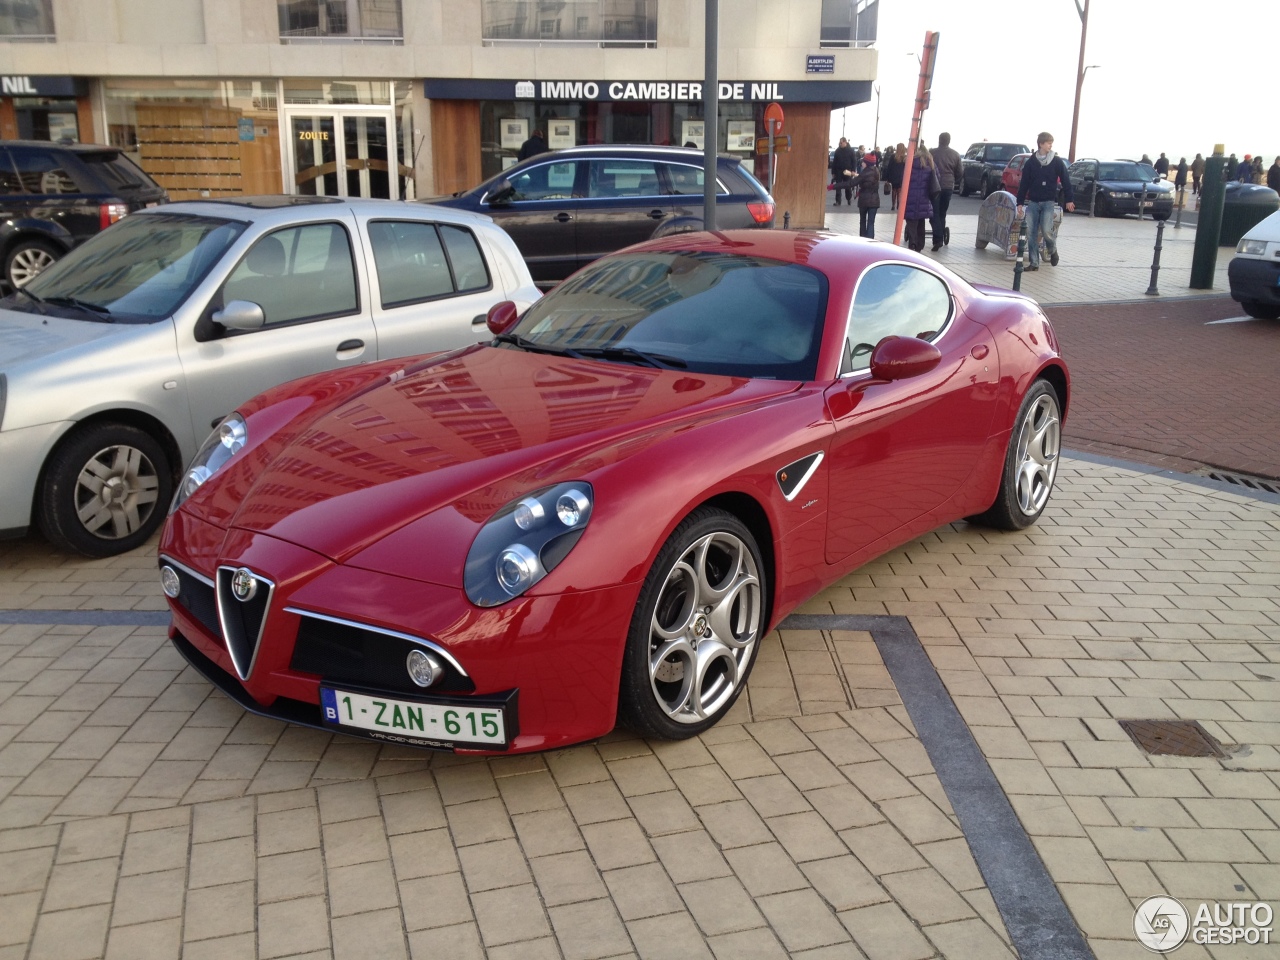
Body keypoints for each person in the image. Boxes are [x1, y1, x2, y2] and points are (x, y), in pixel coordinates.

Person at [1015, 132, 1075, 271]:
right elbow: (1024, 184)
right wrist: (1020, 202)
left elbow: (1066, 180)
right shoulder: (1031, 163)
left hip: (1048, 202)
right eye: (1048, 143)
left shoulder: (1056, 161)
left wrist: (1069, 199)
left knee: (1047, 230)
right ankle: (1034, 263)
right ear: (1041, 144)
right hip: (1034, 202)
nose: (1050, 145)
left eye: (1051, 143)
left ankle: (1053, 251)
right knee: (1031, 233)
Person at [930, 132, 963, 251]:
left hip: (935, 186)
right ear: (949, 141)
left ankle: (938, 238)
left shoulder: (932, 153)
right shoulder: (955, 155)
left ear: (939, 140)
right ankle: (941, 236)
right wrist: (953, 180)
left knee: (935, 213)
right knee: (942, 213)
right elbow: (960, 172)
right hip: (948, 186)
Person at [903, 144, 937, 252]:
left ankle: (912, 242)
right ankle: (920, 245)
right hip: (924, 197)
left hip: (910, 197)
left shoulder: (910, 162)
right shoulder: (931, 163)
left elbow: (902, 178)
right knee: (921, 222)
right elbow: (937, 178)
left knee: (911, 222)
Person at [856, 153, 880, 239]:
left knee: (862, 221)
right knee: (871, 223)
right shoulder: (876, 171)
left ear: (867, 163)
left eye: (863, 162)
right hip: (875, 201)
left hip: (864, 200)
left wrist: (833, 186)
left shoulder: (864, 173)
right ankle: (870, 242)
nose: (862, 163)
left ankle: (863, 240)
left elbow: (851, 183)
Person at [830, 137, 857, 206]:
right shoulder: (837, 151)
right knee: (838, 186)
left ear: (845, 142)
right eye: (840, 143)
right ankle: (838, 201)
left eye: (841, 143)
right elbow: (834, 162)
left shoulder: (851, 151)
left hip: (848, 171)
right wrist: (833, 172)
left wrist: (853, 170)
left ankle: (848, 198)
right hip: (838, 171)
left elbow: (854, 161)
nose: (840, 144)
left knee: (847, 186)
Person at [887, 143, 906, 211]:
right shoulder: (905, 157)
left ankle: (893, 205)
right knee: (899, 191)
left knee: (894, 190)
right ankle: (898, 204)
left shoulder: (893, 156)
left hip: (894, 175)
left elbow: (889, 167)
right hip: (901, 176)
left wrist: (888, 178)